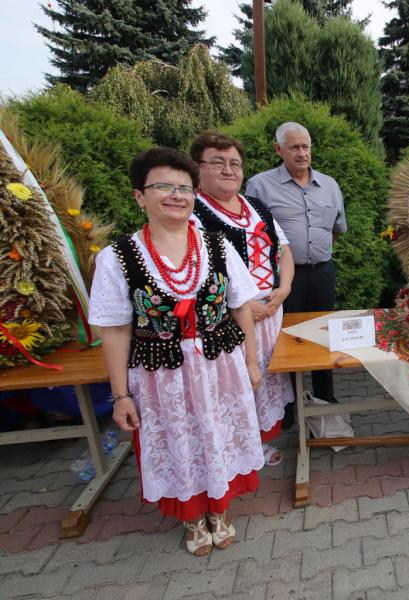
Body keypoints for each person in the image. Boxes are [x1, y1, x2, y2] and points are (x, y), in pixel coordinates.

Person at [89, 148, 264, 555]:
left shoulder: (218, 246)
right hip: (162, 374)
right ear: (139, 196)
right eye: (163, 186)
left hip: (220, 366)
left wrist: (252, 363)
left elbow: (241, 307)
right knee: (179, 441)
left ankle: (219, 508)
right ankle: (192, 517)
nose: (176, 195)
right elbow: (114, 331)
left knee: (219, 433)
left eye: (184, 188)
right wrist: (120, 395)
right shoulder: (117, 258)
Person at [189, 131, 295, 466]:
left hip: (272, 309)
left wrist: (284, 288)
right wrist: (243, 306)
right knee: (236, 381)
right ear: (197, 169)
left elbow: (284, 251)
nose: (228, 170)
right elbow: (191, 274)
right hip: (229, 317)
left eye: (235, 163)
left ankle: (262, 438)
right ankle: (238, 448)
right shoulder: (191, 213)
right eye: (217, 162)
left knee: (267, 376)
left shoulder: (256, 206)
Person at [246, 122, 347, 405]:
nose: (301, 153)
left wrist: (313, 250)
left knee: (324, 335)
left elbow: (336, 229)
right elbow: (252, 237)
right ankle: (290, 404)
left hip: (322, 273)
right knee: (284, 339)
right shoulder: (260, 185)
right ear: (278, 149)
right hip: (283, 280)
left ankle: (325, 398)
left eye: (305, 146)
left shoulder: (329, 185)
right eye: (294, 147)